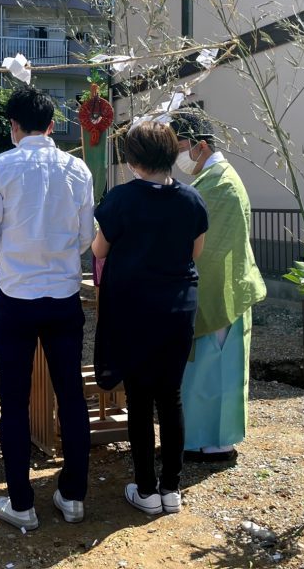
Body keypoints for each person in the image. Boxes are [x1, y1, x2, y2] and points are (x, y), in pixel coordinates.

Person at [0, 85, 95, 530]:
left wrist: (11, 256)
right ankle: (73, 495)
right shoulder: (77, 168)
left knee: (14, 401)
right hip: (63, 295)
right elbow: (85, 237)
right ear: (51, 125)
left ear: (13, 126)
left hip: (16, 294)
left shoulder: (1, 167)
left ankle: (21, 501)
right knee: (71, 396)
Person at [91, 121, 208, 515]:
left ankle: (145, 489)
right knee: (170, 396)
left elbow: (100, 249)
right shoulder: (192, 200)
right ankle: (171, 487)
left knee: (140, 398)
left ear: (133, 158)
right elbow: (194, 253)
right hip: (177, 308)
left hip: (134, 308)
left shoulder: (122, 199)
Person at [170, 110, 266, 464]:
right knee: (207, 371)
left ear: (201, 145)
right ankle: (201, 438)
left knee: (212, 369)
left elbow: (208, 245)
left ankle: (211, 442)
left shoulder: (219, 183)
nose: (177, 157)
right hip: (222, 286)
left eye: (179, 147)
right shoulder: (215, 178)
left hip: (220, 288)